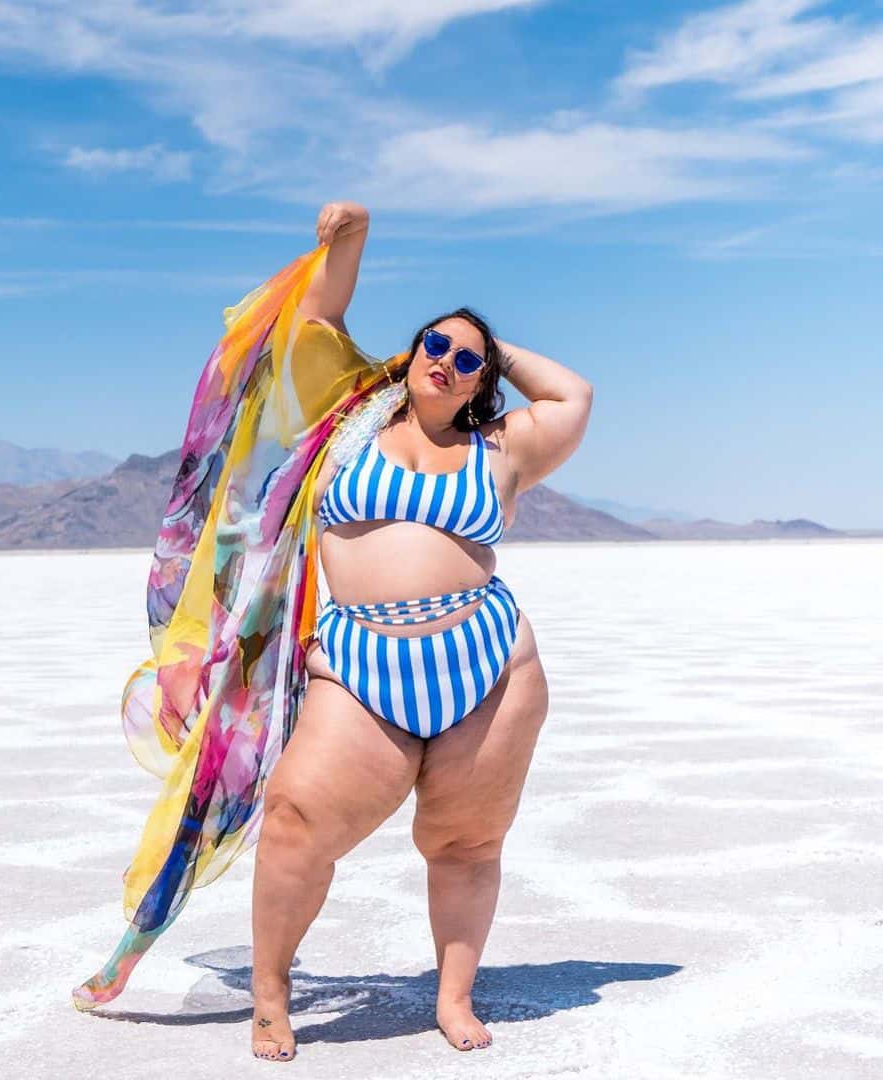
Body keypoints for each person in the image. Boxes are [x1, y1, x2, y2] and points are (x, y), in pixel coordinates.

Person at [74, 201, 594, 1063]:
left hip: (490, 666)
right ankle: (272, 997)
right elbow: (314, 318)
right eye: (437, 344)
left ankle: (453, 997)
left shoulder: (501, 447)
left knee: (466, 843)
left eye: (469, 360)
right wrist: (349, 242)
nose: (448, 362)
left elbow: (574, 393)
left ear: (483, 380)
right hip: (360, 663)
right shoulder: (351, 416)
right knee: (295, 821)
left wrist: (492, 350)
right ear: (412, 350)